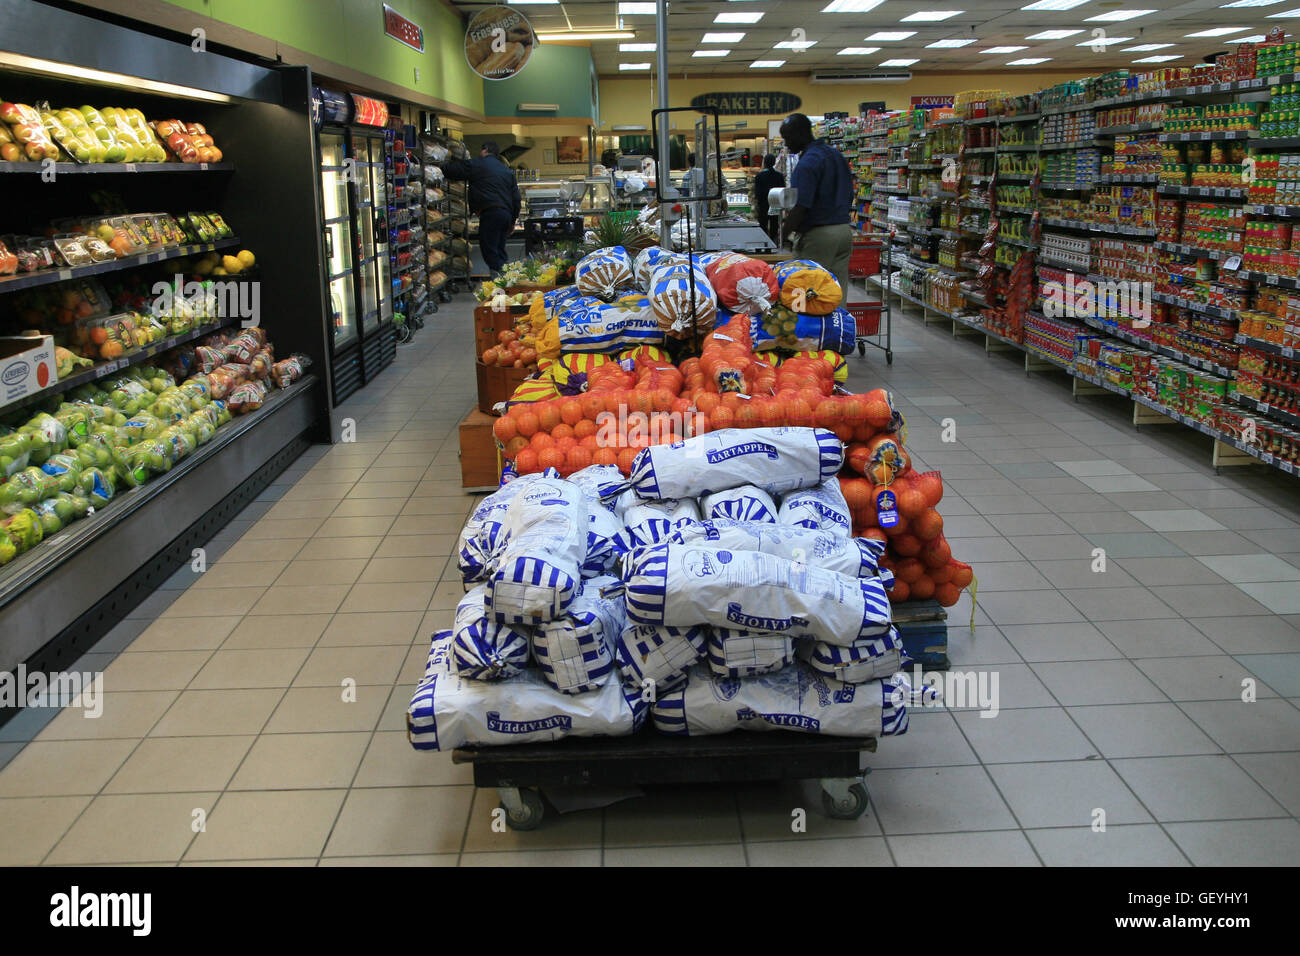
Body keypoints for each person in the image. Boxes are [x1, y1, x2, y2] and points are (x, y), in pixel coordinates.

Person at [779, 112, 854, 293]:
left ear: (799, 134)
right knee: (835, 292)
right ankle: (836, 322)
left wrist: (782, 235)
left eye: (787, 138)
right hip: (844, 231)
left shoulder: (808, 163)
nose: (786, 144)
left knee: (807, 292)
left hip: (819, 235)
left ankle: (812, 323)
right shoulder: (836, 155)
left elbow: (801, 206)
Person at [437, 139, 521, 275]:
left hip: (490, 213)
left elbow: (450, 170)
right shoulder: (506, 171)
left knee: (490, 250)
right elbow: (516, 199)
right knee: (499, 249)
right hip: (505, 214)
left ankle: (500, 283)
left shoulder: (477, 164)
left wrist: (441, 163)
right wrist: (512, 221)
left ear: (484, 150)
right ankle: (508, 278)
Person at [753, 153, 785, 244]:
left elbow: (757, 192)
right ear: (774, 163)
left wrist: (758, 201)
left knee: (763, 224)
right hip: (775, 203)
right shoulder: (779, 176)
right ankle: (773, 242)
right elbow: (782, 189)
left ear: (765, 163)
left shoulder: (759, 176)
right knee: (774, 223)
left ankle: (763, 243)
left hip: (763, 203)